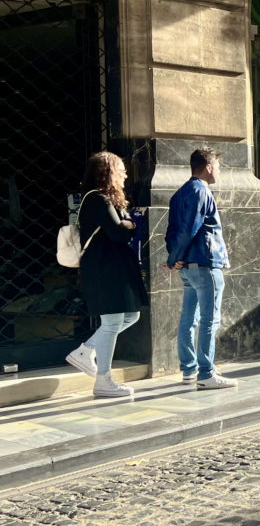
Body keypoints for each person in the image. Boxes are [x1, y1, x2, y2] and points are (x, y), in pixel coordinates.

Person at [65, 152, 149, 398]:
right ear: (107, 172)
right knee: (112, 323)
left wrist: (127, 225)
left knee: (131, 315)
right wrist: (130, 226)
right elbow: (119, 234)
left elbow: (122, 227)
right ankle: (103, 379)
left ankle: (87, 350)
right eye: (120, 169)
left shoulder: (109, 200)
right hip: (105, 270)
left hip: (114, 268)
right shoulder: (98, 199)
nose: (125, 173)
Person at [166, 147, 237, 389]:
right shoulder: (201, 192)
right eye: (217, 166)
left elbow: (172, 232)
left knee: (189, 318)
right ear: (208, 167)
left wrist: (174, 258)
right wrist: (176, 257)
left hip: (187, 266)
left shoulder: (179, 194)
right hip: (206, 264)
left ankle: (189, 370)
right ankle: (206, 374)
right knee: (209, 320)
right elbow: (190, 229)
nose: (218, 171)